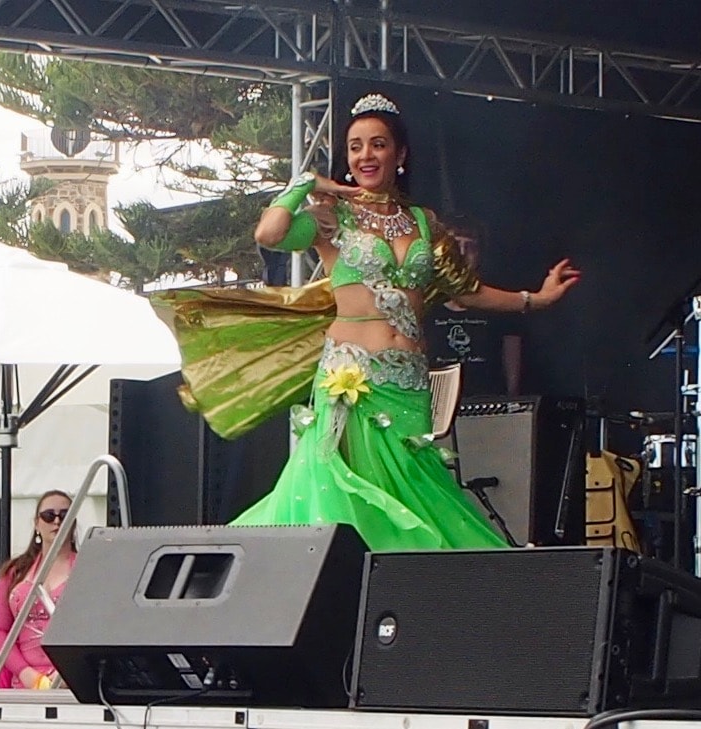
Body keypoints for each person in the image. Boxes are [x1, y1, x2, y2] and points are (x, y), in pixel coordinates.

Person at [157, 92, 580, 552]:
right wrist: (310, 183)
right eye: (355, 146)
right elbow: (270, 233)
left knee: (413, 490)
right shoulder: (330, 217)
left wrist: (534, 299)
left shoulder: (424, 222)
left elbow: (466, 289)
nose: (365, 156)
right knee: (345, 495)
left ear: (400, 155)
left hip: (408, 382)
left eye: (377, 144)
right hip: (352, 378)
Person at [422, 216, 523, 396]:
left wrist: (511, 396)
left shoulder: (497, 299)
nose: (461, 253)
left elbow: (511, 347)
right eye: (454, 246)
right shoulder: (425, 301)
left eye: (470, 247)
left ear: (480, 253)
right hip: (438, 401)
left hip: (487, 399)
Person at [0, 490, 77, 689]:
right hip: (22, 683)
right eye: (48, 516)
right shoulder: (14, 572)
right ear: (36, 523)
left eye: (64, 515)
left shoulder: (86, 568)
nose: (56, 521)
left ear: (73, 522)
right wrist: (24, 672)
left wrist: (69, 671)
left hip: (71, 683)